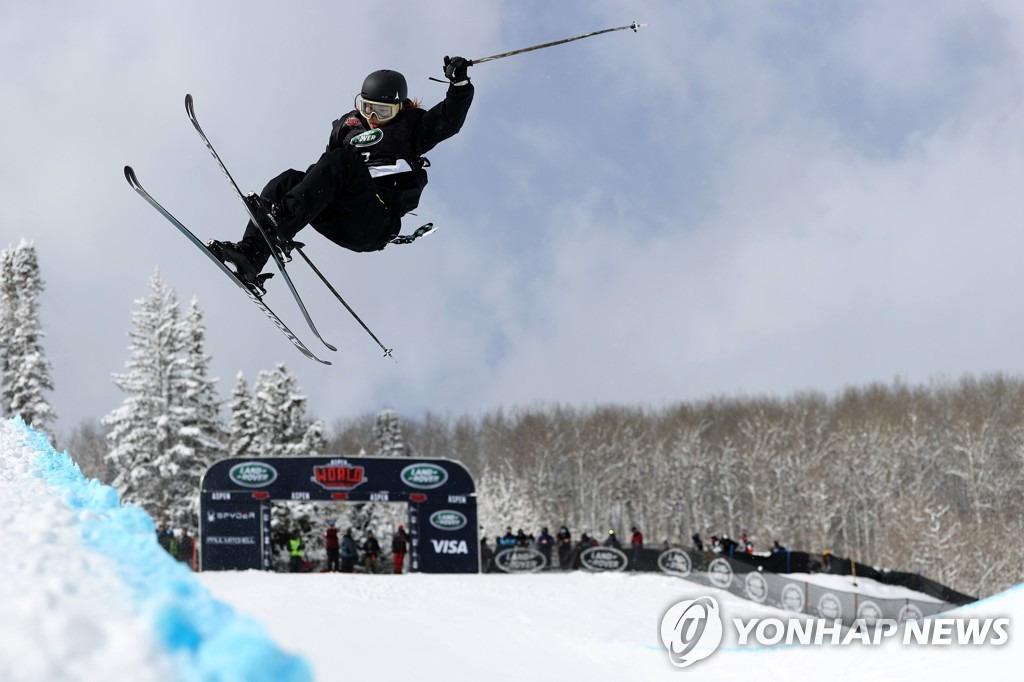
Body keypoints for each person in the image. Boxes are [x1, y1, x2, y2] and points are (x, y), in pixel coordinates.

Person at [208, 57, 475, 294]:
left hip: (373, 221)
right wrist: (293, 197)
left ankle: (283, 220)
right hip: (339, 215)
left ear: (399, 107)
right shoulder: (347, 128)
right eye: (368, 107)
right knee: (287, 180)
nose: (373, 117)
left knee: (345, 160)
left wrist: (459, 84)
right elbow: (324, 174)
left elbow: (449, 119)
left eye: (383, 112)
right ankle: (251, 256)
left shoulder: (413, 128)